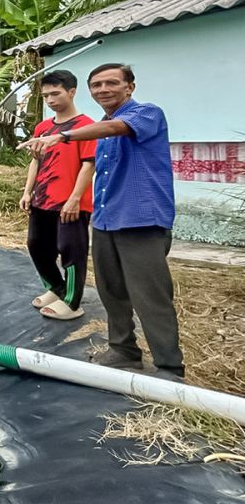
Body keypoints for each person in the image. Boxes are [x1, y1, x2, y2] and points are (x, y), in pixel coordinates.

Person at [19, 63, 184, 381]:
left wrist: (61, 137)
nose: (103, 90)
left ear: (129, 87)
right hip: (107, 220)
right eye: (97, 85)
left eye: (112, 83)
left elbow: (114, 130)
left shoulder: (145, 114)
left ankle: (169, 367)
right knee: (111, 291)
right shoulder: (101, 126)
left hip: (141, 221)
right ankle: (123, 351)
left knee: (149, 295)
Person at [20, 70, 96, 321]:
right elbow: (35, 163)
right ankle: (57, 288)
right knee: (37, 246)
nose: (51, 100)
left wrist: (75, 197)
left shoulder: (86, 127)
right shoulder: (43, 128)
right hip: (42, 199)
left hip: (71, 202)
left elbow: (88, 165)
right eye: (46, 96)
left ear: (71, 92)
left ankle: (73, 302)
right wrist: (27, 191)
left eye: (56, 93)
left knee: (71, 250)